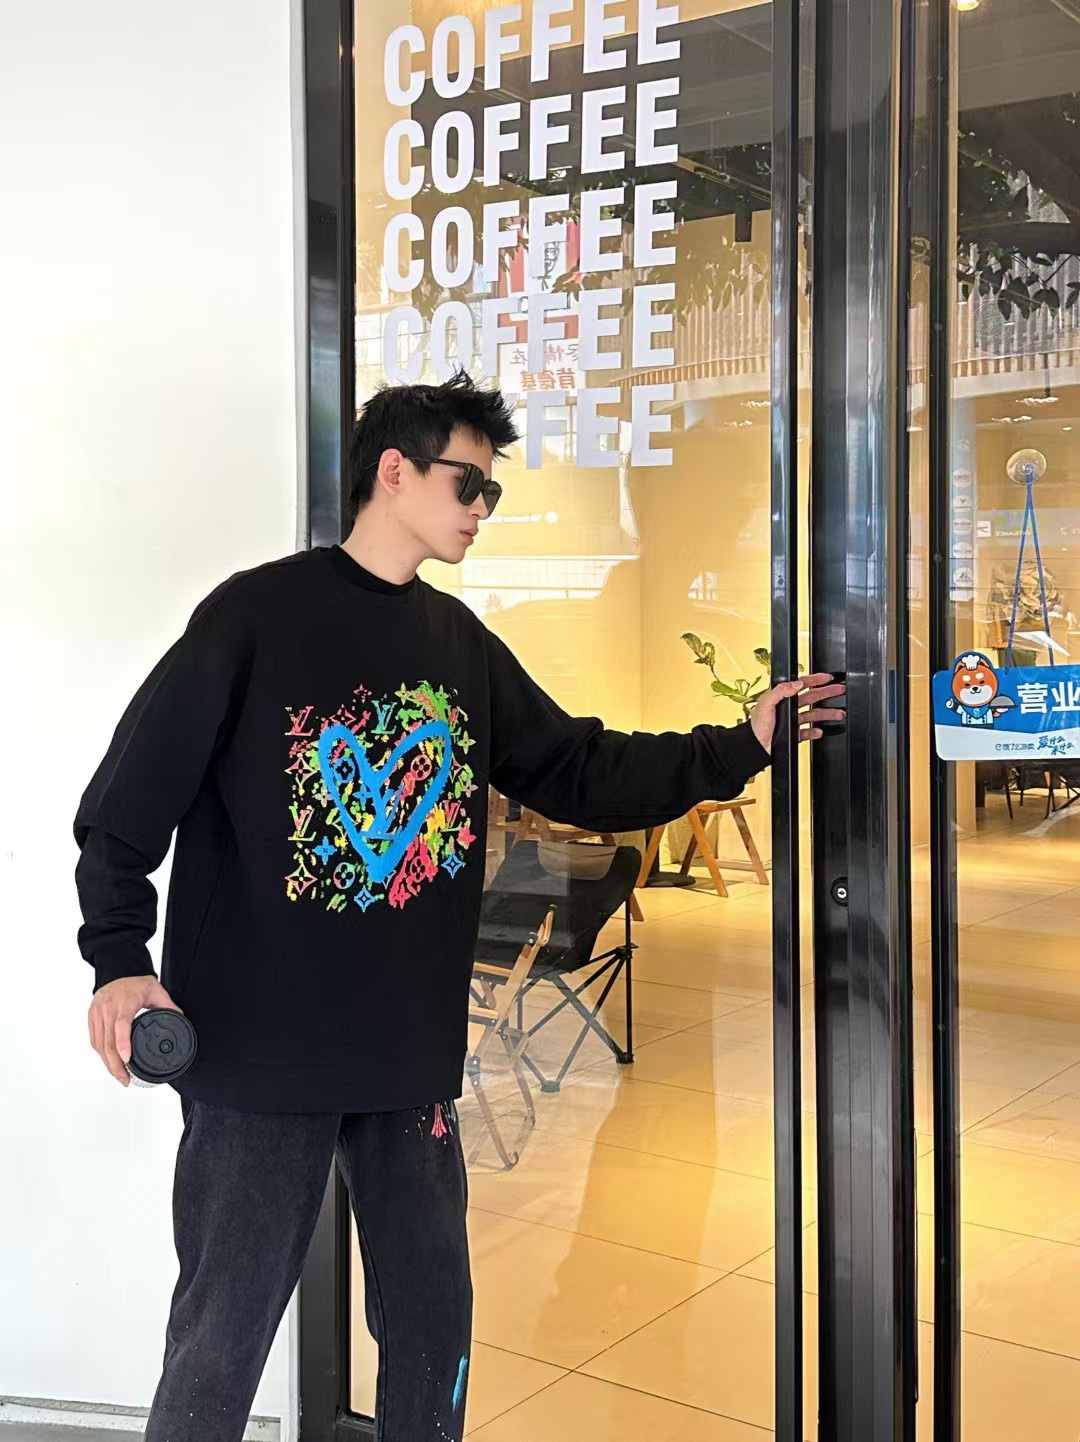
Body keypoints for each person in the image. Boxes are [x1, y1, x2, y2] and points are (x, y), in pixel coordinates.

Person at [74, 371, 844, 1442]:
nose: (483, 509)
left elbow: (578, 767)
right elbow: (123, 808)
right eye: (468, 484)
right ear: (394, 472)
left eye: (493, 491)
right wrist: (119, 960)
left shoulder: (456, 644)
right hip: (258, 1052)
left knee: (434, 1326)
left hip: (407, 1054)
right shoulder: (254, 617)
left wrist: (741, 743)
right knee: (222, 1334)